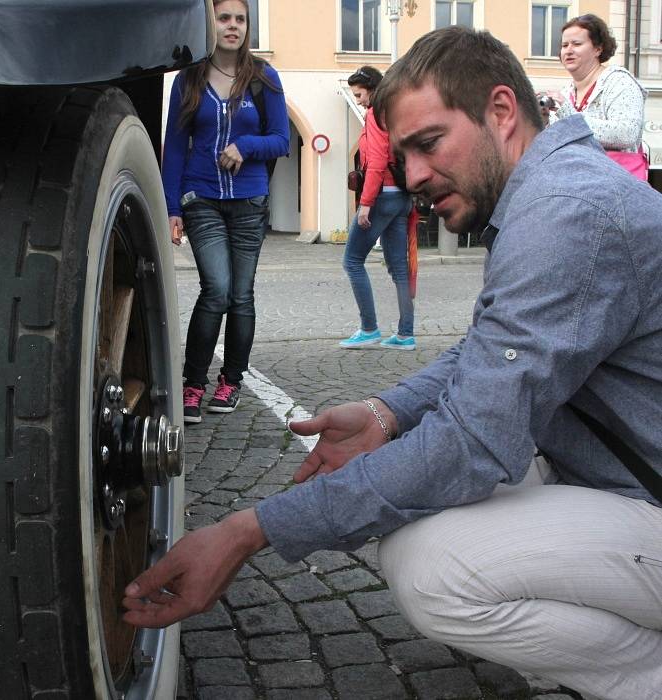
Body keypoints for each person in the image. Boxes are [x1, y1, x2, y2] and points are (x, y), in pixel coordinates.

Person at [124, 26, 662, 699]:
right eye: (401, 154)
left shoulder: (565, 213)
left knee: (431, 566)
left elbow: (471, 443)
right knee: (421, 501)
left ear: (499, 111)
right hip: (622, 477)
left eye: (427, 144)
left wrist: (248, 530)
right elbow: (491, 351)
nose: (409, 178)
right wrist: (386, 411)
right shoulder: (552, 191)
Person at [162, 0, 289, 423]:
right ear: (209, 23)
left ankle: (230, 380)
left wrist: (246, 146)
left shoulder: (263, 78)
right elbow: (175, 147)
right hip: (202, 200)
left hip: (250, 202)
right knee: (216, 289)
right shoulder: (189, 79)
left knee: (241, 295)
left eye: (239, 19)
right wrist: (170, 206)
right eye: (223, 18)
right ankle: (193, 384)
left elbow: (281, 140)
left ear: (247, 26)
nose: (232, 26)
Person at [340, 66, 416, 350]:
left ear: (371, 89)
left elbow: (377, 162)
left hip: (382, 195)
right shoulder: (397, 112)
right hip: (402, 196)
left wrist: (365, 204)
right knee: (398, 267)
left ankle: (369, 328)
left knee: (352, 261)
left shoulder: (376, 113)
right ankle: (406, 334)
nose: (358, 100)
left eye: (359, 94)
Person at [544, 13, 648, 180]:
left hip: (617, 188)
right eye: (564, 45)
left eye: (576, 44)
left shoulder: (619, 82)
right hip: (577, 187)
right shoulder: (565, 93)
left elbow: (626, 134)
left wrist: (569, 115)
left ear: (598, 49)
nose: (568, 50)